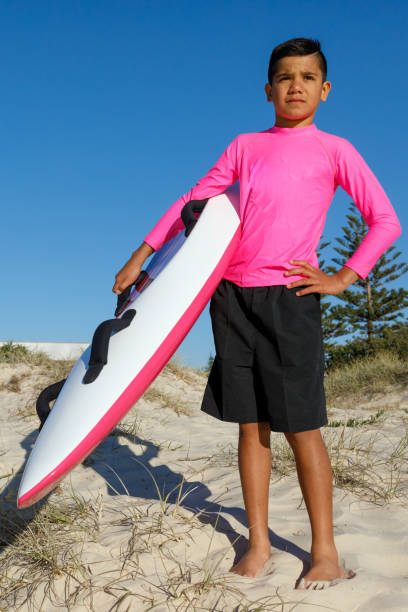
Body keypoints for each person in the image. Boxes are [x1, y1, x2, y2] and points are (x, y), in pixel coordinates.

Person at [112, 38, 402, 589]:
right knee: (252, 426)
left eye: (308, 77)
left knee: (302, 429)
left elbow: (385, 220)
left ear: (325, 89)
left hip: (290, 301)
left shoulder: (335, 150)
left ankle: (324, 552)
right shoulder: (246, 145)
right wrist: (141, 258)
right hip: (232, 297)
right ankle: (260, 542)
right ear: (268, 89)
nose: (296, 86)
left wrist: (343, 278)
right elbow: (192, 205)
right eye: (285, 77)